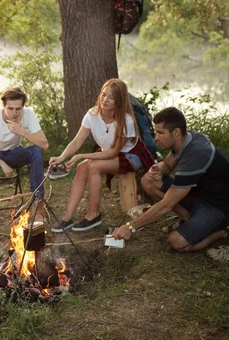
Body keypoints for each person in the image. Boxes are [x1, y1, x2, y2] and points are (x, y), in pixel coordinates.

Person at [113, 107, 229, 252]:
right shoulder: (186, 139)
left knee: (176, 242)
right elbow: (167, 165)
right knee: (148, 181)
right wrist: (156, 169)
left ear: (176, 132)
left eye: (160, 133)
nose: (155, 138)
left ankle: (218, 232)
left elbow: (167, 205)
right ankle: (188, 219)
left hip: (217, 208)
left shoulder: (197, 153)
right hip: (197, 195)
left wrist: (131, 227)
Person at [49, 79, 154, 232]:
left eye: (111, 97)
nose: (105, 100)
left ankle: (93, 216)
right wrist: (62, 157)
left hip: (130, 155)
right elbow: (77, 141)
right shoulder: (92, 114)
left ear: (119, 101)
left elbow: (113, 152)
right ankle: (67, 218)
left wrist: (81, 155)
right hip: (108, 153)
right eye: (103, 95)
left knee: (92, 166)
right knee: (81, 167)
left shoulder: (126, 120)